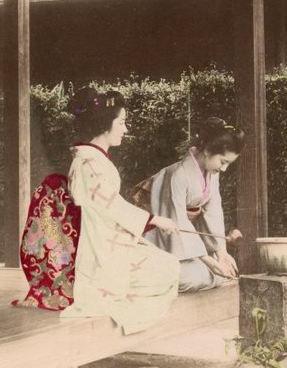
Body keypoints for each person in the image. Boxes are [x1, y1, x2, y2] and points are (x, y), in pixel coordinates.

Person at [59, 87, 182, 334]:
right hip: (97, 245)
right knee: (166, 270)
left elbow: (109, 206)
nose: (126, 130)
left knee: (168, 266)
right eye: (122, 123)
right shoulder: (88, 161)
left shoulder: (91, 159)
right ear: (105, 125)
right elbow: (109, 206)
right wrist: (155, 219)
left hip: (105, 237)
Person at [147, 117, 245, 292]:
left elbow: (213, 213)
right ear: (207, 150)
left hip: (190, 244)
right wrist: (208, 260)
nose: (224, 169)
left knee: (219, 272)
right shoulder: (178, 174)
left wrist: (221, 253)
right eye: (223, 162)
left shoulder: (212, 174)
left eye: (228, 164)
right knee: (195, 276)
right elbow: (176, 221)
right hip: (161, 239)